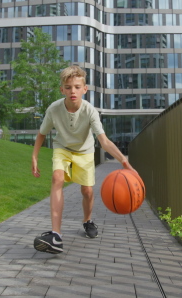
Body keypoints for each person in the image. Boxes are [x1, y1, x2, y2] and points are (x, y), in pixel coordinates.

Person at [31, 65, 138, 254]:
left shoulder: (90, 111)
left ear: (84, 89)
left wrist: (124, 161)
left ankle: (87, 220)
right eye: (68, 87)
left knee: (87, 191)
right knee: (57, 179)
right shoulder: (54, 109)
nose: (73, 91)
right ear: (61, 89)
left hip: (85, 151)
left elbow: (103, 141)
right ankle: (56, 235)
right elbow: (41, 134)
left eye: (77, 87)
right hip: (62, 148)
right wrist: (34, 157)